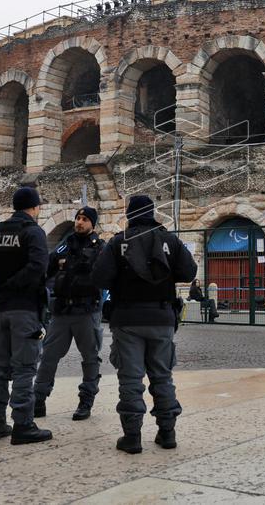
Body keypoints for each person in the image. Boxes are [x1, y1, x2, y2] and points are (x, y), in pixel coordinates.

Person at [92, 194, 197, 454]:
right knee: (162, 376)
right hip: (162, 318)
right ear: (152, 213)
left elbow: (100, 278)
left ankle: (132, 437)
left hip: (127, 318)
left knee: (130, 379)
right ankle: (167, 432)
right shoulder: (169, 240)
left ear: (130, 214)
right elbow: (189, 272)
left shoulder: (118, 243)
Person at [0, 186, 52, 445]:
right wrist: (15, 283)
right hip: (24, 308)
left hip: (1, 309)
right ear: (34, 207)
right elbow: (39, 267)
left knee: (0, 367)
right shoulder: (33, 232)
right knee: (24, 369)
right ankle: (23, 425)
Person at [34, 206, 104, 421]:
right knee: (48, 357)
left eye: (84, 219)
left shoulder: (100, 247)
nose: (79, 222)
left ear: (93, 223)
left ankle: (86, 401)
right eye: (78, 218)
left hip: (86, 311)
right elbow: (47, 271)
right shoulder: (65, 246)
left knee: (90, 358)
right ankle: (38, 399)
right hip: (62, 312)